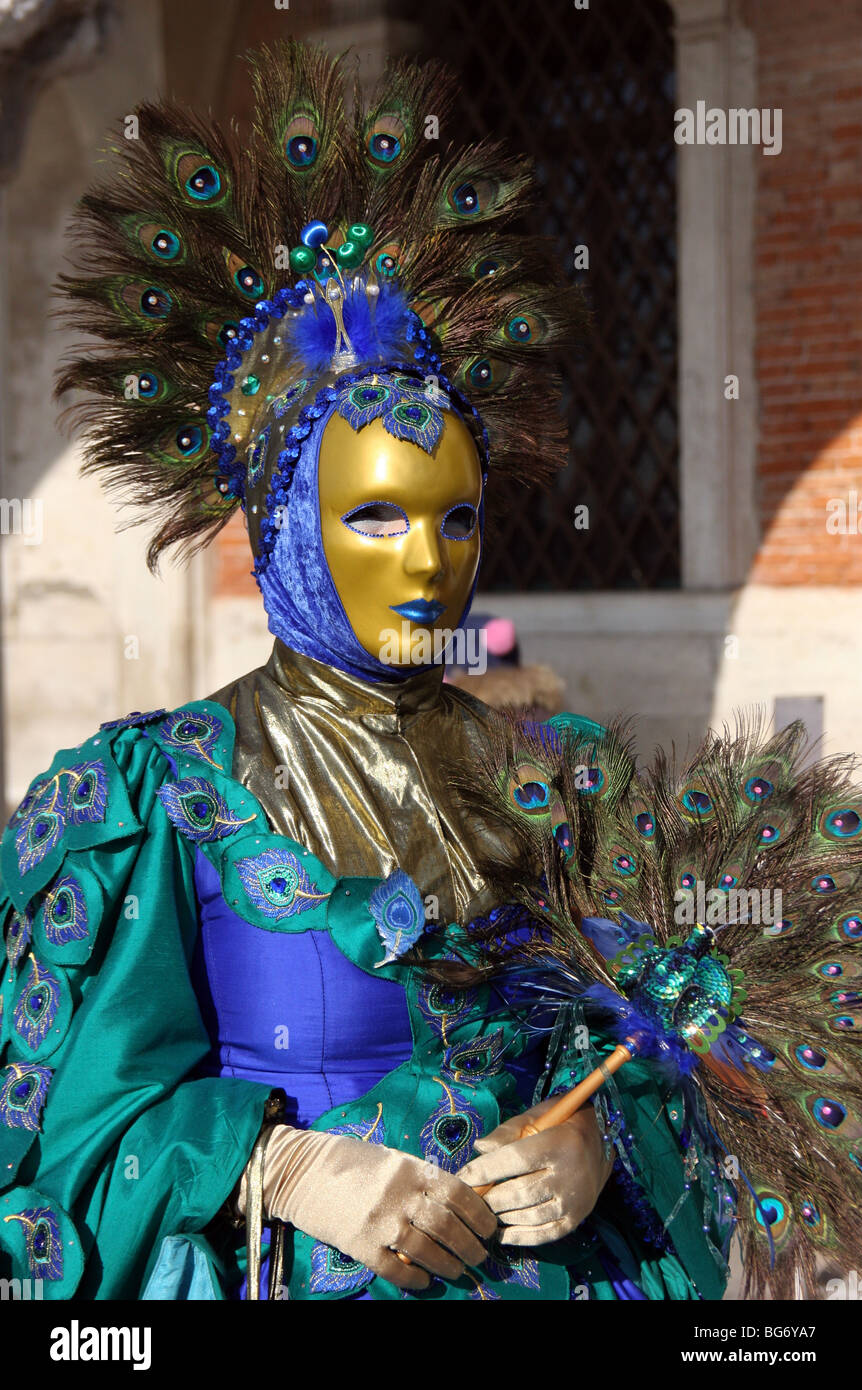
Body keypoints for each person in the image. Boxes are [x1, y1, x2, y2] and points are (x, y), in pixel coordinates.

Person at [0, 39, 731, 1301]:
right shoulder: (154, 801)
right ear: (286, 524)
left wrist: (599, 1137)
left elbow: (666, 1043)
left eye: (455, 521)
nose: (426, 566)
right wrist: (276, 1167)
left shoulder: (563, 777)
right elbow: (64, 1133)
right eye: (377, 520)